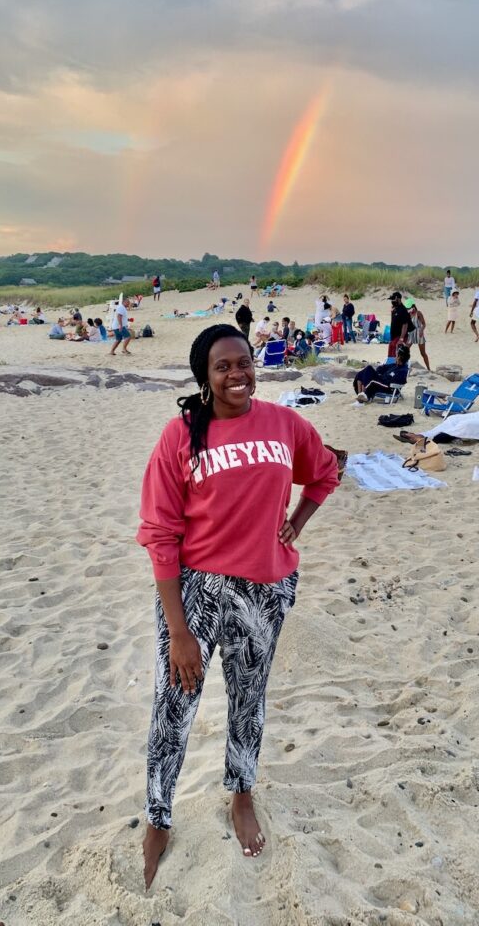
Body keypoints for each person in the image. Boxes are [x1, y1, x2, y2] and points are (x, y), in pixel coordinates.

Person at [136, 323, 340, 889]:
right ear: (205, 375)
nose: (237, 374)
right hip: (196, 593)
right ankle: (158, 816)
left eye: (244, 362)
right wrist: (178, 630)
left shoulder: (283, 423)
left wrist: (296, 523)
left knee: (249, 700)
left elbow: (325, 471)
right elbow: (159, 533)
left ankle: (242, 794)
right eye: (223, 366)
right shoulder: (181, 436)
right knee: (172, 710)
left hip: (265, 590)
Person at [404, 300, 430, 371]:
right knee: (405, 350)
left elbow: (424, 324)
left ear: (413, 306)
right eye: (407, 308)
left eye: (409, 308)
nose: (408, 309)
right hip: (411, 334)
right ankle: (405, 366)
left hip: (419, 334)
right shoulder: (408, 314)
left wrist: (422, 330)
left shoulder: (418, 313)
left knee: (423, 353)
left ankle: (428, 368)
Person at [387, 292, 413, 358]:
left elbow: (405, 325)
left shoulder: (403, 310)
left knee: (396, 355)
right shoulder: (394, 308)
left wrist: (401, 339)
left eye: (393, 299)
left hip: (399, 337)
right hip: (393, 337)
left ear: (398, 299)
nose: (392, 301)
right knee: (390, 355)